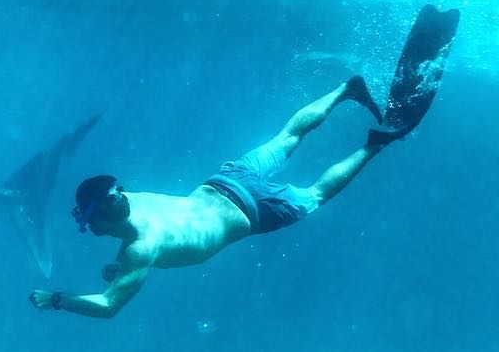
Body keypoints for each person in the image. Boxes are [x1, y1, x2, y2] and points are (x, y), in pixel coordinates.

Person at [29, 76, 392, 319]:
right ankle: (346, 89)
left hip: (253, 211)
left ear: (96, 224)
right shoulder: (134, 203)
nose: (118, 195)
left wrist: (58, 299)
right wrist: (118, 262)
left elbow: (109, 305)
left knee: (316, 194)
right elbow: (133, 230)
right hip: (224, 181)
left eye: (114, 193)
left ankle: (374, 146)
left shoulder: (140, 247)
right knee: (287, 136)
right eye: (113, 196)